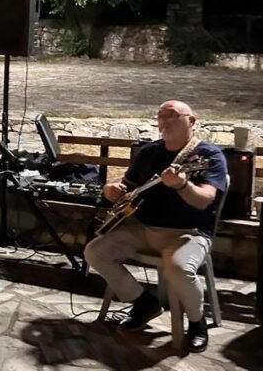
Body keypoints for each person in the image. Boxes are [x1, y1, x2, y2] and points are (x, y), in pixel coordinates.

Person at [84, 100, 228, 353]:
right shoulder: (148, 152)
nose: (164, 120)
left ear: (191, 121)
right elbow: (128, 184)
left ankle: (197, 322)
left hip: (188, 233)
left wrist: (182, 185)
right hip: (143, 228)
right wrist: (111, 189)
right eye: (161, 116)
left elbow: (205, 199)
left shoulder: (208, 156)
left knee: (180, 268)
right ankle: (144, 303)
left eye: (171, 115)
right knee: (95, 252)